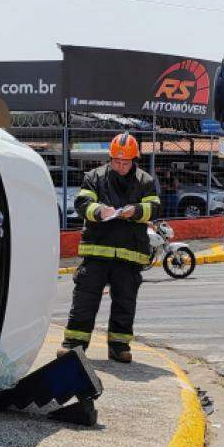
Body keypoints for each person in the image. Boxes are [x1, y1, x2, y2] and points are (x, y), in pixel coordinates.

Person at [59, 133, 160, 364]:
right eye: (117, 161)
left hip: (129, 253)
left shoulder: (145, 181)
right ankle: (74, 345)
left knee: (125, 302)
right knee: (85, 300)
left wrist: (135, 211)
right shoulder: (94, 177)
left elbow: (154, 208)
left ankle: (119, 346)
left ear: (134, 160)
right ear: (110, 158)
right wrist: (99, 211)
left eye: (126, 163)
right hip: (97, 251)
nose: (121, 166)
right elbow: (82, 203)